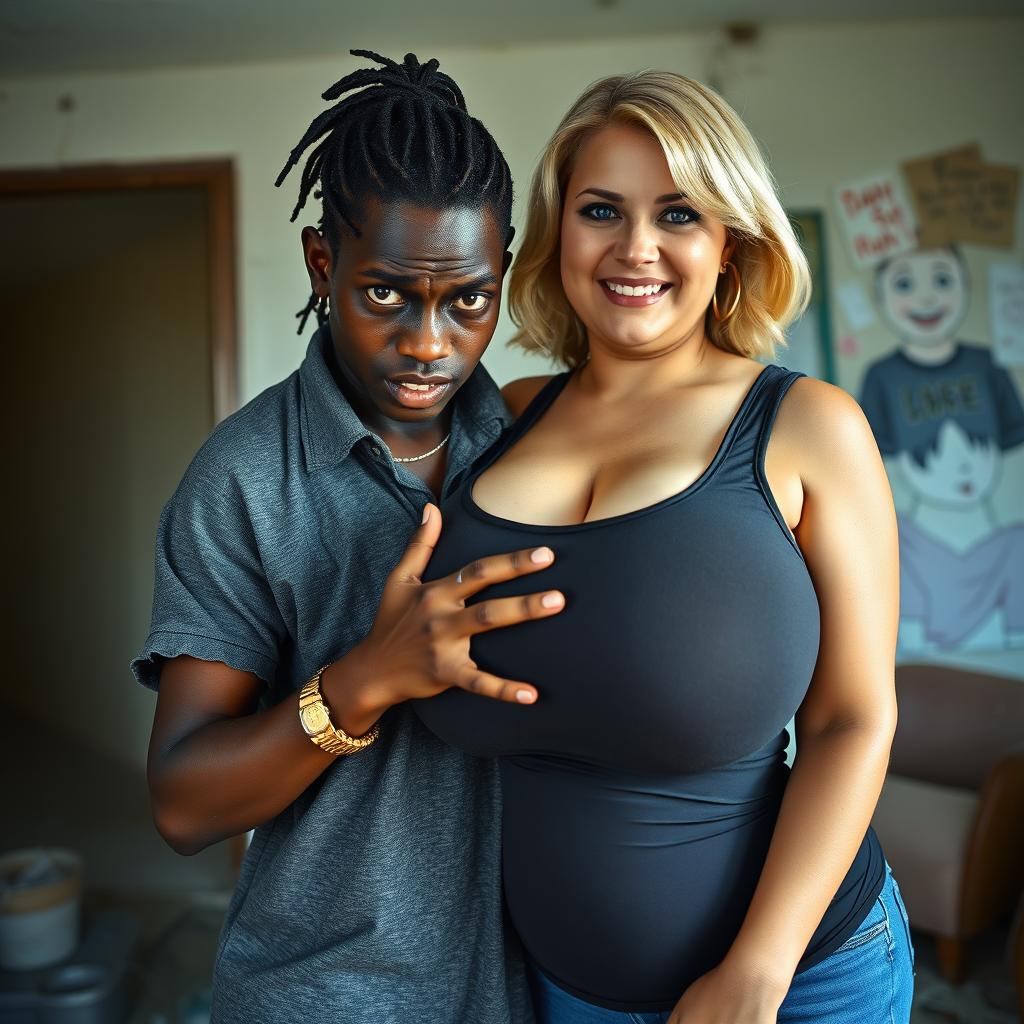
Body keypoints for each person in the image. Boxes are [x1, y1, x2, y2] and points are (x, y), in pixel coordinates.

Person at [412, 71, 915, 1023]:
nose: (635, 247)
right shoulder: (504, 422)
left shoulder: (807, 425)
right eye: (601, 209)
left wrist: (755, 975)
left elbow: (854, 719)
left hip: (797, 983)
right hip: (561, 988)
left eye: (678, 213)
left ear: (730, 243)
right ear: (560, 231)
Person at [131, 50, 564, 1024]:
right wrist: (363, 680)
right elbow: (183, 803)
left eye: (468, 299)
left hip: (541, 986)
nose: (427, 342)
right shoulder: (241, 482)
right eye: (386, 296)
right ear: (323, 265)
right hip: (330, 995)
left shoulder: (541, 444)